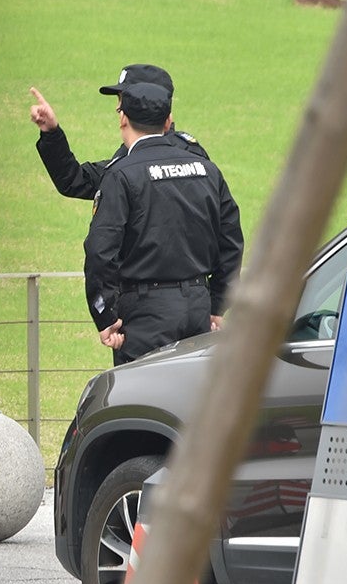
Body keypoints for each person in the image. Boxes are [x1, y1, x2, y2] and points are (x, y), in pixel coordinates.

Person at [83, 82, 243, 365]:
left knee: (144, 401)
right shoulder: (207, 169)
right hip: (197, 306)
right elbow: (230, 241)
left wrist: (105, 316)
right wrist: (217, 305)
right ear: (168, 121)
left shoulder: (121, 175)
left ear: (123, 119)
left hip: (145, 317)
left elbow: (100, 251)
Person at [29, 63, 211, 201]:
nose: (118, 107)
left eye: (123, 99)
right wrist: (51, 133)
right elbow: (75, 181)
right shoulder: (129, 154)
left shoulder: (189, 156)